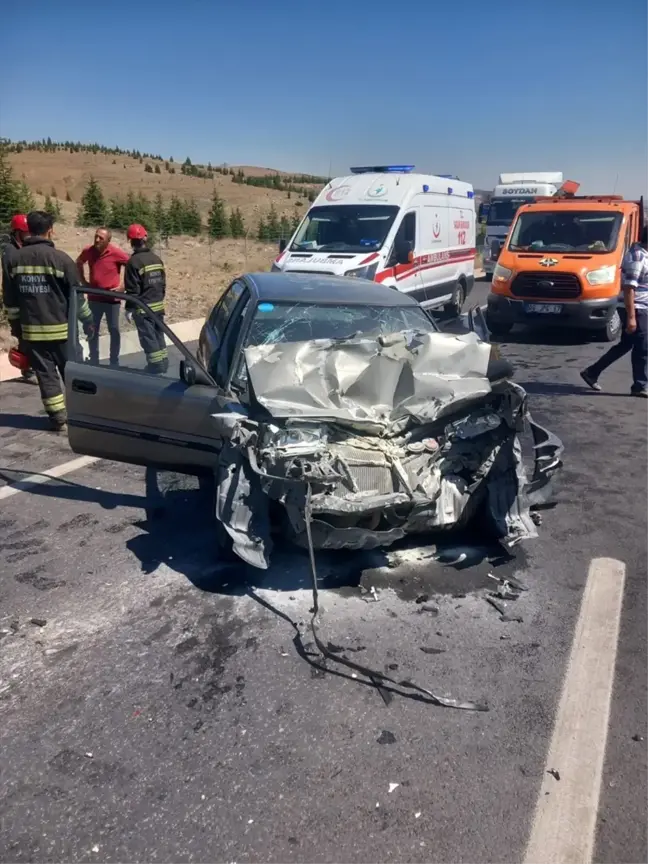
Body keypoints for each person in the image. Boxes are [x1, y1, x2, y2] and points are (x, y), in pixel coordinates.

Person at [4, 211, 95, 431]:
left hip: (33, 333)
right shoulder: (61, 259)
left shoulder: (13, 260)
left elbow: (11, 301)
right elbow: (77, 296)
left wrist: (18, 331)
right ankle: (83, 415)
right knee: (72, 373)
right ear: (50, 230)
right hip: (63, 332)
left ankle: (58, 419)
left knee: (46, 377)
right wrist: (88, 321)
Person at [581, 225, 648, 397]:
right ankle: (640, 385)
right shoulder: (638, 257)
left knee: (626, 344)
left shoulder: (644, 255)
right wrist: (632, 317)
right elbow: (628, 288)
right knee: (642, 347)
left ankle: (592, 372)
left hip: (640, 308)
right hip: (636, 308)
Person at [76, 227, 129, 366]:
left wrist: (124, 286)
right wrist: (83, 281)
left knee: (114, 329)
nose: (97, 240)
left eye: (101, 238)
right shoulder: (89, 250)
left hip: (112, 298)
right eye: (96, 236)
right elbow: (78, 262)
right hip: (94, 297)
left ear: (108, 241)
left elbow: (131, 265)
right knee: (92, 329)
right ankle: (94, 359)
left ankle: (114, 361)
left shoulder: (115, 252)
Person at [124, 223, 168, 374]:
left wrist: (129, 308)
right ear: (145, 237)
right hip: (158, 306)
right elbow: (162, 284)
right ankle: (164, 362)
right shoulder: (156, 259)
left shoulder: (133, 262)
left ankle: (156, 366)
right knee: (158, 334)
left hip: (143, 308)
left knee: (148, 338)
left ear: (130, 241)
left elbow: (132, 289)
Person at [1, 214, 36, 382]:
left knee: (30, 336)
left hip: (28, 300)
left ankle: (30, 366)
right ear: (17, 233)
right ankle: (27, 369)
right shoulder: (10, 251)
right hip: (16, 302)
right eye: (26, 233)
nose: (29, 235)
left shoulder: (23, 247)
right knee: (23, 336)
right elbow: (9, 280)